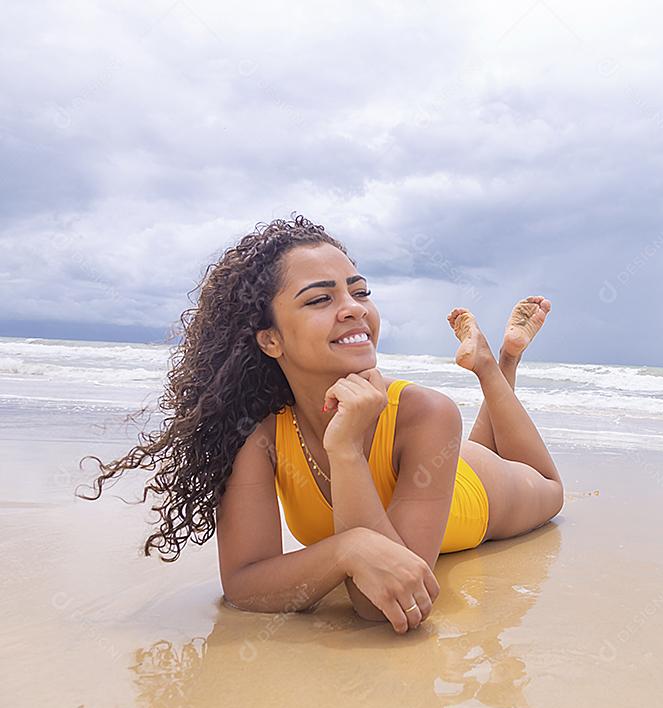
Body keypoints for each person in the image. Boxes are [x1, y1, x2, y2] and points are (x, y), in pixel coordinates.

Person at [80, 216, 564, 635]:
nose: (353, 306)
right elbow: (245, 584)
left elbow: (378, 609)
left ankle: (495, 363)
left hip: (474, 488)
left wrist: (349, 451)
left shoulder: (427, 413)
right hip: (424, 480)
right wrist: (346, 551)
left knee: (548, 486)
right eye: (319, 300)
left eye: (359, 291)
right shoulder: (261, 435)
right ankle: (493, 362)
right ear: (270, 340)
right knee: (477, 449)